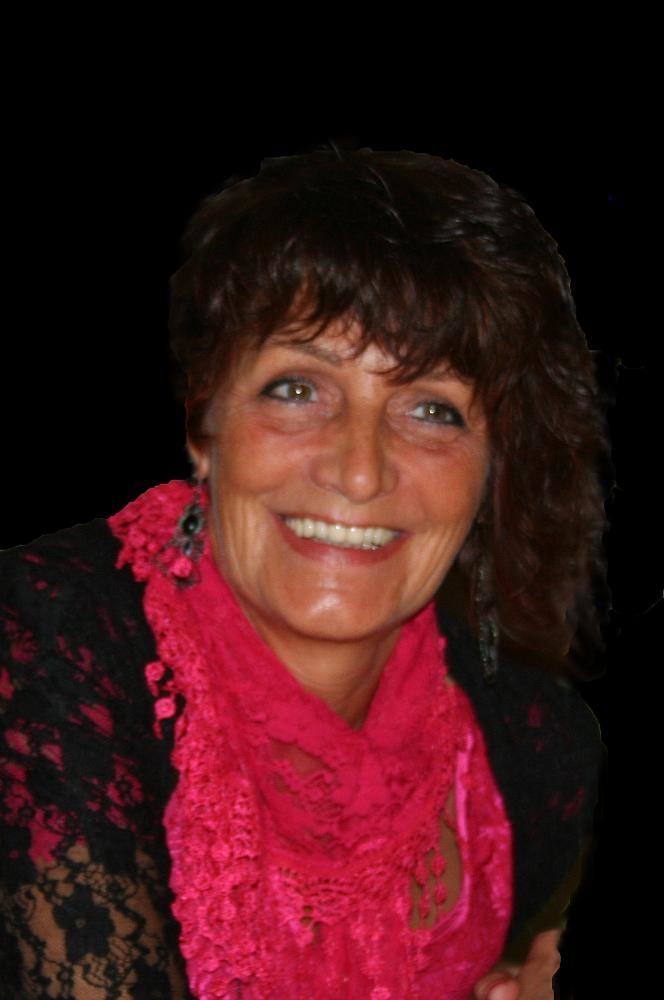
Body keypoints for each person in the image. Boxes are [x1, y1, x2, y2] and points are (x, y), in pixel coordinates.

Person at [0, 147, 607, 999]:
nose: (359, 471)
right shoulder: (42, 641)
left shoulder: (536, 749)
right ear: (204, 426)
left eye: (431, 408)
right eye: (297, 389)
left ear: (491, 471)